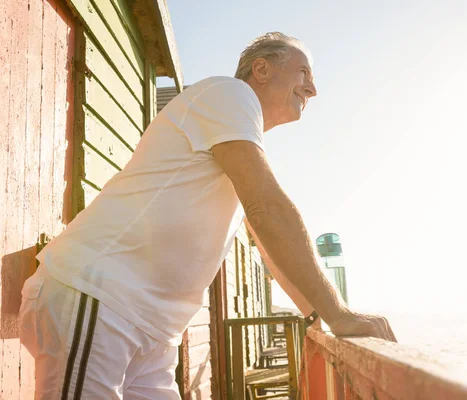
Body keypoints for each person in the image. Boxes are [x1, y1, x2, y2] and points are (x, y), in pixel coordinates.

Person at [19, 32, 396, 399]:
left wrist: (318, 319)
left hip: (151, 333)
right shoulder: (229, 94)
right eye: (304, 73)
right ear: (261, 70)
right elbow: (268, 210)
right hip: (100, 298)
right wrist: (339, 312)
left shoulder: (235, 138)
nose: (312, 89)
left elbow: (269, 248)